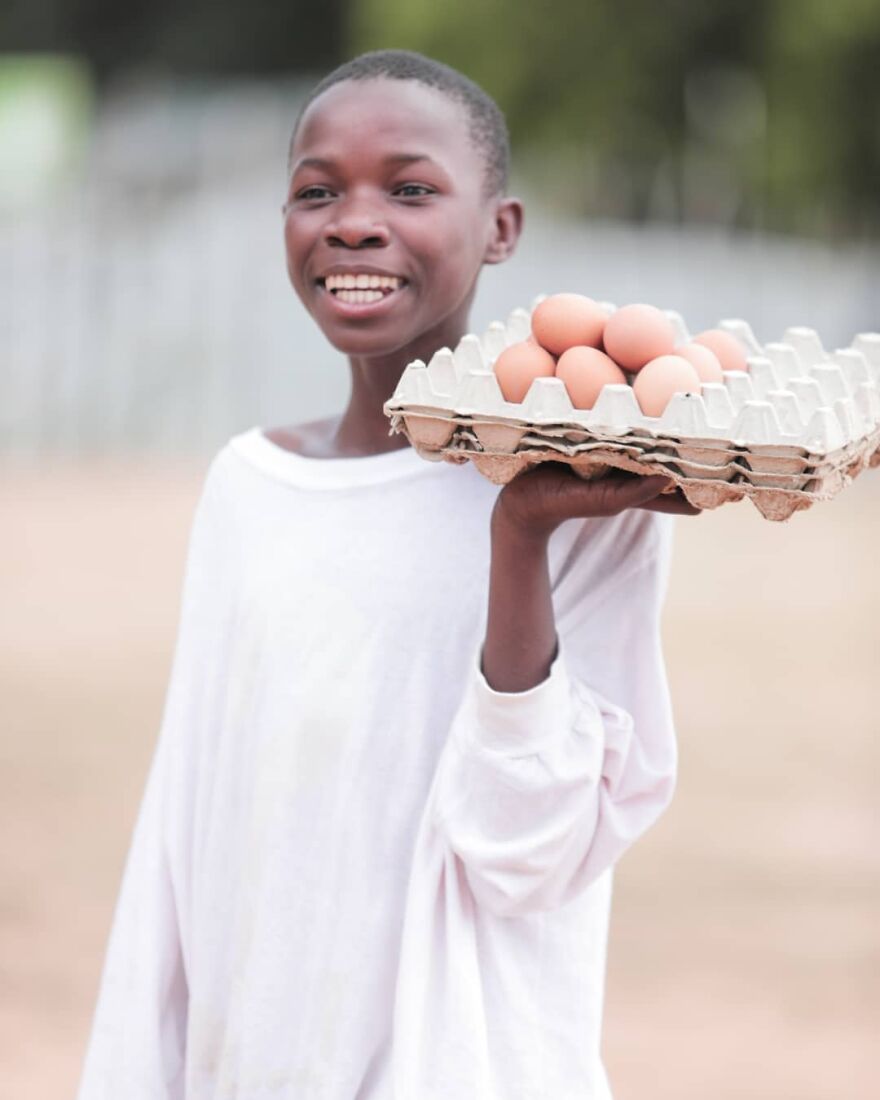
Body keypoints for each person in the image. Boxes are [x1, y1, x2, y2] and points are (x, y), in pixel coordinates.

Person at [78, 48, 698, 1100]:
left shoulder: (588, 498)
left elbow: (528, 852)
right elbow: (185, 835)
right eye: (316, 190)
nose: (354, 220)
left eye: (409, 188)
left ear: (499, 228)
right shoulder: (251, 485)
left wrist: (518, 536)